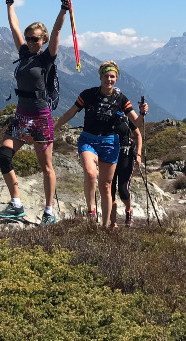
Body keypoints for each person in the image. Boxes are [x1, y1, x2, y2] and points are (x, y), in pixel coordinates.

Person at [0, 0, 70, 226]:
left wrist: (64, 7)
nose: (29, 41)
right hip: (21, 116)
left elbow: (58, 28)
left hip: (40, 117)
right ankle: (16, 204)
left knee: (46, 167)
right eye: (28, 38)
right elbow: (13, 26)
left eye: (34, 39)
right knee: (4, 155)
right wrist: (10, 3)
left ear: (44, 40)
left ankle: (49, 211)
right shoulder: (25, 53)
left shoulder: (47, 57)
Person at [54, 61, 146, 228]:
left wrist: (141, 113)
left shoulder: (121, 99)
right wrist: (53, 127)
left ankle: (105, 227)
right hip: (88, 139)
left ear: (116, 79)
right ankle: (91, 211)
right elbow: (70, 112)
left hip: (110, 143)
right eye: (106, 76)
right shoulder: (88, 95)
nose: (109, 79)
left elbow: (136, 123)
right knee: (90, 173)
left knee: (106, 185)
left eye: (112, 77)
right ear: (100, 76)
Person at [109, 117, 143, 227]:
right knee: (110, 191)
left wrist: (138, 154)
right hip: (109, 157)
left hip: (126, 158)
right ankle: (113, 223)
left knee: (123, 190)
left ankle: (129, 210)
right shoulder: (105, 116)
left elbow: (138, 135)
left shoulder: (127, 118)